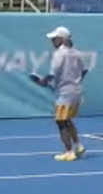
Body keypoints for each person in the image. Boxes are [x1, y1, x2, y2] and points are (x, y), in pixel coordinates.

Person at [31, 25, 86, 162]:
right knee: (67, 120)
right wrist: (75, 81)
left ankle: (69, 152)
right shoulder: (77, 53)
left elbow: (52, 74)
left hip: (65, 94)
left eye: (54, 38)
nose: (52, 41)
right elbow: (84, 70)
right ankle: (78, 146)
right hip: (76, 91)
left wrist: (42, 81)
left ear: (61, 39)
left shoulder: (59, 54)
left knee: (61, 122)